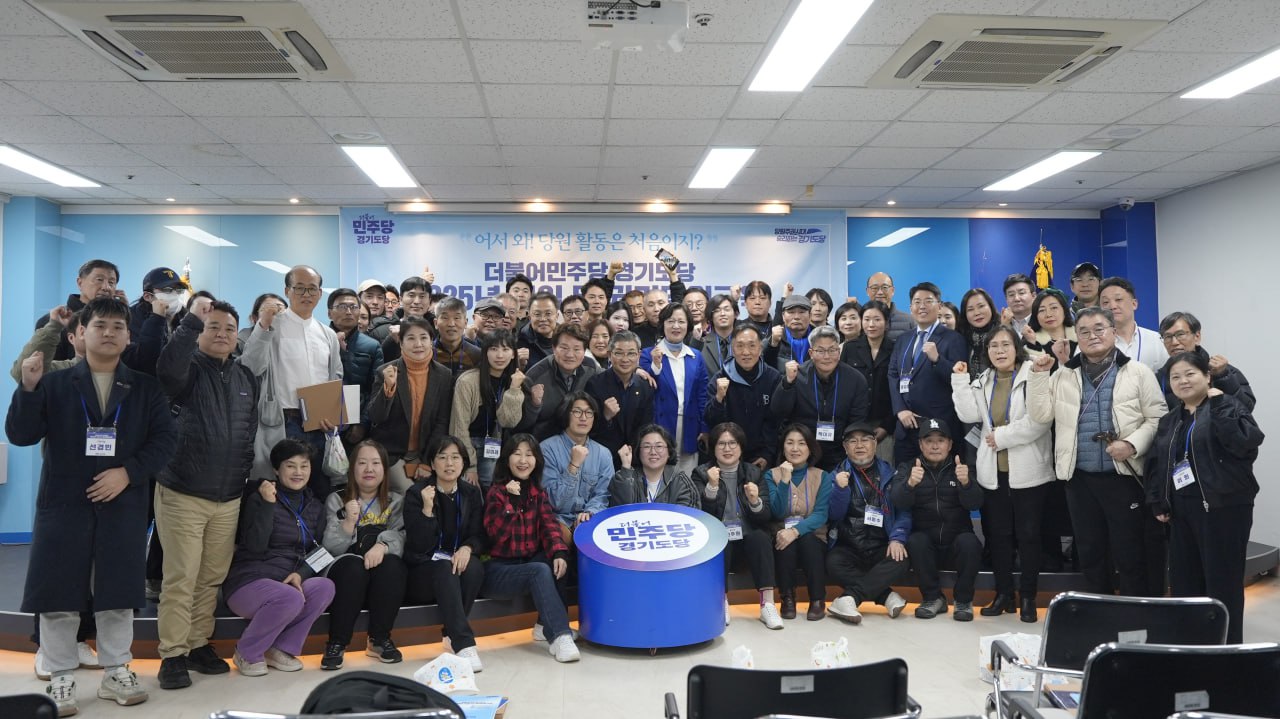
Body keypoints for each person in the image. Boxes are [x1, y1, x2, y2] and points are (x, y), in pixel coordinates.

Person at [8, 297, 178, 714]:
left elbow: (165, 441)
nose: (109, 333)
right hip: (64, 502)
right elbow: (21, 435)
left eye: (118, 327)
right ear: (81, 333)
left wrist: (128, 473)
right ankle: (60, 675)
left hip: (122, 504)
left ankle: (116, 670)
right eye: (100, 325)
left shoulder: (145, 387)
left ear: (128, 336)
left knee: (117, 593)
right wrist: (27, 388)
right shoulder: (54, 382)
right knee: (59, 593)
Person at [153, 299, 258, 689]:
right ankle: (172, 654)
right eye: (213, 327)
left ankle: (197, 644)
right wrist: (190, 322)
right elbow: (167, 367)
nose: (222, 334)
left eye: (229, 328)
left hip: (228, 497)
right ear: (200, 332)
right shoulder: (186, 370)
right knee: (181, 576)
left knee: (211, 577)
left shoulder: (246, 377)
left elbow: (248, 432)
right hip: (183, 491)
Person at [1027, 307, 1167, 596]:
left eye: (1099, 329)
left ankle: (1132, 611)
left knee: (1129, 551)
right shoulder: (1064, 375)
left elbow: (1158, 418)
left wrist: (1132, 444)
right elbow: (1040, 415)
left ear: (1113, 332)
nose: (1092, 336)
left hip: (1124, 476)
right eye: (1084, 331)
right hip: (1079, 478)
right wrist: (1039, 375)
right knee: (1090, 551)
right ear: (1076, 337)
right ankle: (1098, 610)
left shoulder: (1138, 372)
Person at [1144, 351, 1264, 644]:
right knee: (1185, 584)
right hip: (1182, 511)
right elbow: (1158, 463)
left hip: (1224, 508)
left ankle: (1226, 648)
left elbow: (1246, 444)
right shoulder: (1171, 419)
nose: (1183, 381)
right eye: (1175, 377)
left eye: (1190, 374)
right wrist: (1159, 500)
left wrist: (1220, 404)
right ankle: (1192, 647)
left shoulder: (1228, 405)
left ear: (1207, 376)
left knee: (1222, 584)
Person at [951, 327, 1053, 623]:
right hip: (993, 472)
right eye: (993, 346)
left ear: (1016, 348)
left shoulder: (1034, 373)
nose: (999, 350)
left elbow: (1041, 421)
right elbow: (968, 415)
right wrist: (960, 380)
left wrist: (1002, 437)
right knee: (998, 537)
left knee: (1029, 536)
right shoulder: (984, 379)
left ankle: (1029, 597)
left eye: (1005, 345)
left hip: (1029, 472)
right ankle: (1004, 594)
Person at [223, 439, 336, 678]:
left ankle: (280, 648)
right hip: (249, 582)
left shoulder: (315, 506)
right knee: (290, 597)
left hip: (288, 580)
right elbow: (254, 547)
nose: (298, 472)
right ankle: (246, 652)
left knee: (324, 587)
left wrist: (301, 574)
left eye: (304, 466)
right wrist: (267, 504)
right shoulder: (260, 498)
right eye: (290, 465)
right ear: (276, 469)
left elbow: (321, 552)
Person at [240, 265, 343, 498]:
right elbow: (251, 367)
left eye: (312, 289)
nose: (306, 294)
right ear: (287, 291)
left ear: (320, 293)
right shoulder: (271, 326)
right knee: (277, 491)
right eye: (299, 288)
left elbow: (336, 376)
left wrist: (333, 415)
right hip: (283, 422)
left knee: (319, 490)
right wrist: (263, 327)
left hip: (319, 423)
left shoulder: (327, 334)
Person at [482, 436, 580, 662]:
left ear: (537, 460)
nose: (523, 460)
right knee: (539, 570)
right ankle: (560, 635)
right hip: (498, 571)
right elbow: (496, 536)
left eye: (529, 454)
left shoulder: (538, 492)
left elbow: (549, 526)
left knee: (558, 561)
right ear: (507, 459)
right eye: (517, 453)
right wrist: (511, 502)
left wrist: (559, 552)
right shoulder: (496, 492)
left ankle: (544, 626)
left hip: (527, 564)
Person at [318, 440, 407, 670]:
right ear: (352, 468)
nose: (369, 469)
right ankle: (337, 643)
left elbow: (402, 536)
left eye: (376, 463)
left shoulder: (396, 501)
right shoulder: (337, 499)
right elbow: (331, 548)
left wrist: (383, 545)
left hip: (378, 567)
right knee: (353, 569)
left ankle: (379, 640)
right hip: (346, 565)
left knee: (393, 566)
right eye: (362, 463)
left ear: (384, 469)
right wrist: (348, 522)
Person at [404, 436, 488, 671]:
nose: (449, 463)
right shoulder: (417, 493)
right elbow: (418, 545)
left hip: (455, 567)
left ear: (463, 463)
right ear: (432, 463)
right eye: (442, 457)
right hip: (423, 572)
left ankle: (451, 634)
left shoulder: (471, 493)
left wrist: (467, 548)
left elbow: (479, 535)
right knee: (444, 567)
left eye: (455, 457)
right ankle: (464, 643)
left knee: (474, 567)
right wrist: (427, 510)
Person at [889, 419, 983, 621]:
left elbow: (975, 503)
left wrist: (966, 483)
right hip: (926, 547)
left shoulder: (961, 468)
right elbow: (897, 501)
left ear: (949, 444)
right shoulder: (908, 468)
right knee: (916, 540)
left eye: (940, 440)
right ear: (920, 444)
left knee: (970, 542)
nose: (935, 446)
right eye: (929, 441)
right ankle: (933, 598)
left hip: (956, 542)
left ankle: (963, 600)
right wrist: (910, 484)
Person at [691, 423, 779, 629]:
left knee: (760, 537)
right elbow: (702, 516)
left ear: (741, 446)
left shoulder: (754, 473)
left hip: (747, 537)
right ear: (713, 448)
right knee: (720, 540)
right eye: (721, 444)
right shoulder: (701, 473)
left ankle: (767, 604)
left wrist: (755, 501)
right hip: (720, 537)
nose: (727, 448)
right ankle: (719, 602)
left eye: (733, 443)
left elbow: (765, 516)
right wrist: (711, 488)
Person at [825, 423, 910, 624]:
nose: (859, 445)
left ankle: (851, 598)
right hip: (849, 546)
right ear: (845, 447)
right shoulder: (835, 475)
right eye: (853, 441)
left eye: (865, 440)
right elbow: (833, 515)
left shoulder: (892, 474)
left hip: (881, 545)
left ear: (875, 443)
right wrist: (840, 490)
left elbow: (904, 511)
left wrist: (897, 538)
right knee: (832, 562)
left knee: (901, 558)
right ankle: (886, 596)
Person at [366, 317, 455, 492]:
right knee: (409, 493)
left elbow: (442, 422)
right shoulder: (386, 371)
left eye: (423, 337)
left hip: (425, 453)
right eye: (411, 338)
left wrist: (427, 461)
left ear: (432, 341)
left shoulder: (444, 375)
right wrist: (388, 389)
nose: (418, 344)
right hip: (392, 454)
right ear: (401, 343)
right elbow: (375, 417)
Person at [887, 282, 967, 465]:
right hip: (906, 428)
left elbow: (959, 381)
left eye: (928, 301)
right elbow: (893, 375)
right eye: (917, 302)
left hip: (939, 430)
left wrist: (938, 360)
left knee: (941, 480)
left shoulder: (953, 339)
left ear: (939, 306)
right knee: (905, 478)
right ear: (911, 308)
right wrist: (900, 409)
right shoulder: (903, 339)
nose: (922, 306)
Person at [772, 326, 870, 471]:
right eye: (820, 351)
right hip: (802, 450)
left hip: (838, 452)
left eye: (832, 350)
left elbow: (857, 421)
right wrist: (787, 383)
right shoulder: (797, 375)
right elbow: (778, 411)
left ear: (839, 351)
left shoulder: (856, 379)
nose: (827, 356)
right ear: (811, 353)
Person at [764, 424, 832, 621]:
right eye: (790, 443)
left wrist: (795, 531)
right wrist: (784, 481)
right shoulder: (771, 475)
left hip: (814, 535)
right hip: (781, 534)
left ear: (810, 447)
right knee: (784, 542)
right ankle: (787, 599)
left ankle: (817, 599)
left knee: (807, 540)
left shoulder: (822, 476)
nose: (795, 448)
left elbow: (821, 514)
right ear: (783, 447)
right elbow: (776, 512)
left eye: (801, 443)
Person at [450, 330, 525, 490]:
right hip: (466, 445)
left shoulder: (513, 381)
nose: (500, 355)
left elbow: (508, 422)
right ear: (485, 353)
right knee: (470, 492)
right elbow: (458, 427)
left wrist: (514, 390)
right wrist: (470, 465)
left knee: (489, 493)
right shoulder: (467, 381)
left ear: (513, 354)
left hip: (492, 444)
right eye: (494, 349)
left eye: (505, 349)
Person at [640, 303, 708, 475]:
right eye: (670, 321)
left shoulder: (696, 356)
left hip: (690, 424)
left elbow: (702, 396)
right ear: (662, 324)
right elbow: (646, 388)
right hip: (659, 423)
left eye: (681, 321)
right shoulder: (648, 354)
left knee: (687, 475)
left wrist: (704, 428)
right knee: (660, 473)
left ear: (688, 326)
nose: (676, 326)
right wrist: (656, 365)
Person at [704, 325, 781, 469]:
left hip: (761, 456)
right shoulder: (720, 378)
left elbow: (775, 422)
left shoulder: (772, 377)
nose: (746, 352)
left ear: (760, 348)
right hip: (727, 454)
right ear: (732, 349)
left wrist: (767, 454)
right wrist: (719, 399)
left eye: (752, 346)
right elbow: (711, 421)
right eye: (740, 346)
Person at [540, 392, 613, 541]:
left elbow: (603, 495)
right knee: (559, 535)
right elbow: (554, 502)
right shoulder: (547, 449)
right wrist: (573, 466)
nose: (583, 418)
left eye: (589, 413)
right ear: (566, 414)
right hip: (556, 519)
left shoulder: (603, 453)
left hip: (590, 519)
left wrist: (590, 512)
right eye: (577, 412)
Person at [1155, 311, 1255, 411]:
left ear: (1197, 336)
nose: (1174, 342)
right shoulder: (1161, 377)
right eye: (1167, 336)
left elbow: (1246, 409)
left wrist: (1222, 377)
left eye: (1180, 334)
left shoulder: (1223, 370)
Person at [519, 323, 601, 441]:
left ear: (584, 351)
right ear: (553, 348)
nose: (570, 355)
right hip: (544, 441)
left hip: (581, 440)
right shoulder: (535, 376)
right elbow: (521, 426)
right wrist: (534, 405)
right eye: (564, 348)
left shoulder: (591, 369)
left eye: (577, 349)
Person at [585, 330, 655, 468]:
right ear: (609, 355)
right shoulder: (595, 384)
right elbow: (587, 429)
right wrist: (605, 416)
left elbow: (646, 427)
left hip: (635, 459)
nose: (625, 359)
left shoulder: (644, 386)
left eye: (631, 353)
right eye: (619, 353)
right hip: (602, 459)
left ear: (639, 355)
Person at [841, 301, 896, 460]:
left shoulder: (896, 348)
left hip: (884, 423)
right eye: (867, 319)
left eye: (877, 319)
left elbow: (899, 391)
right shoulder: (850, 348)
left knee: (884, 467)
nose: (871, 324)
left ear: (886, 322)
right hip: (854, 422)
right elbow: (842, 386)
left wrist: (886, 426)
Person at [36, 259, 121, 361]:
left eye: (111, 282)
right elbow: (45, 366)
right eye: (99, 280)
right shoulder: (54, 321)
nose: (106, 287)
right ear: (80, 283)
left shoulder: (119, 320)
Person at [609, 424, 699, 507]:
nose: (653, 452)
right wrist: (626, 467)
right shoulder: (624, 477)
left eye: (659, 446)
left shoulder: (680, 480)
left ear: (669, 452)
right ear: (638, 451)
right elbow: (620, 509)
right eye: (647, 446)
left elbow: (689, 513)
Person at [1099, 277, 1168, 373]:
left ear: (1134, 304)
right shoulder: (1095, 342)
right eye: (1105, 302)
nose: (1112, 306)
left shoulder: (1156, 340)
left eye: (1118, 299)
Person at [327, 288, 383, 404]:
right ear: (329, 313)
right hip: (323, 408)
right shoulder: (319, 341)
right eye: (342, 307)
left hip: (359, 410)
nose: (348, 312)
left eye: (353, 307)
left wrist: (364, 416)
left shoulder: (372, 346)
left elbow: (376, 389)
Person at [1025, 288, 1077, 368]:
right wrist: (1032, 345)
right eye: (1042, 310)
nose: (1048, 315)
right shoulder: (1031, 342)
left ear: (1064, 310)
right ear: (1036, 316)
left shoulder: (1079, 336)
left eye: (1054, 308)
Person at [955, 289, 998, 382]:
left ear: (990, 306)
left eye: (981, 306)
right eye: (970, 309)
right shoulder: (961, 337)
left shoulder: (1003, 332)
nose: (977, 313)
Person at [765, 294, 814, 373]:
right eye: (791, 312)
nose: (796, 317)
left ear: (810, 316)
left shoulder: (820, 337)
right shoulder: (773, 339)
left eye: (801, 312)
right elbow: (765, 367)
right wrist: (773, 344)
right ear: (783, 316)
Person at [433, 298, 481, 378]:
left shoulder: (477, 355)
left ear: (465, 323)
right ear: (435, 323)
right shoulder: (426, 353)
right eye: (445, 318)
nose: (451, 324)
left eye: (457, 318)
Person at [865, 272, 913, 343]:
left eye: (885, 287)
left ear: (892, 290)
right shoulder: (860, 320)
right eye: (874, 288)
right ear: (867, 291)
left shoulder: (910, 321)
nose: (880, 292)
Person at [517, 292, 560, 370]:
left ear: (557, 316)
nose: (543, 319)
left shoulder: (566, 338)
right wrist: (520, 366)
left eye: (548, 313)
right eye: (537, 314)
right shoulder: (520, 342)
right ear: (529, 317)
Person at [699, 293, 738, 377]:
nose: (722, 314)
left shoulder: (744, 342)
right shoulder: (701, 345)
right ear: (711, 317)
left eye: (727, 309)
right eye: (717, 310)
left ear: (736, 314)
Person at [1001, 273, 1036, 338]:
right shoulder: (1001, 325)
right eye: (1011, 295)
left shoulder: (1043, 322)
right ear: (1006, 299)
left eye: (1021, 293)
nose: (1016, 299)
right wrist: (1003, 327)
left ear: (1033, 296)